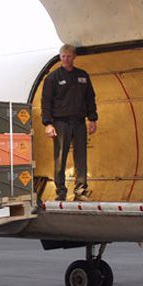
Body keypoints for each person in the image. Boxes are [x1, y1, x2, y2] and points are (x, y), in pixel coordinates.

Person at [41, 43, 98, 201]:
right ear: (60, 57)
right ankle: (61, 191)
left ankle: (80, 191)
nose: (65, 59)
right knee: (60, 157)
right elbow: (46, 102)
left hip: (79, 122)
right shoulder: (52, 78)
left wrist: (92, 119)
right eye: (63, 56)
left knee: (81, 157)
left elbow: (90, 98)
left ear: (74, 57)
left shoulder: (83, 76)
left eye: (68, 56)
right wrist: (48, 123)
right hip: (60, 123)